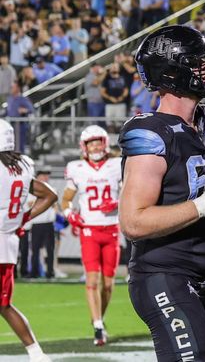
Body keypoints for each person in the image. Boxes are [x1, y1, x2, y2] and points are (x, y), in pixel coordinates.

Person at [119, 25, 205, 361]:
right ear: (172, 72)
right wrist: (204, 204)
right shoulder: (150, 132)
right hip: (162, 275)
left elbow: (194, 204)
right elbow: (134, 222)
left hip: (197, 277)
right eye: (198, 62)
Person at [0, 118, 57, 362]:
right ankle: (36, 353)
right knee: (4, 305)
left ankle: (36, 353)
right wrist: (22, 218)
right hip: (8, 242)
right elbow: (50, 195)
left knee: (4, 305)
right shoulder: (23, 165)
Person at [62, 126, 123, 346]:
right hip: (89, 230)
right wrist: (69, 214)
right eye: (91, 143)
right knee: (92, 280)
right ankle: (98, 325)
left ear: (105, 143)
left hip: (112, 229)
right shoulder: (76, 168)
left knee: (108, 284)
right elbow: (66, 198)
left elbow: (130, 192)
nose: (95, 146)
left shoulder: (117, 165)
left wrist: (117, 203)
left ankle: (99, 318)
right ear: (84, 146)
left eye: (98, 142)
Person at [28, 170, 55, 280]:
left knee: (50, 249)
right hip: (37, 222)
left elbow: (55, 206)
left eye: (46, 175)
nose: (45, 177)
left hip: (49, 223)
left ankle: (50, 272)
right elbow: (30, 204)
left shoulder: (52, 189)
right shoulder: (32, 191)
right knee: (35, 249)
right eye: (43, 175)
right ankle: (34, 272)